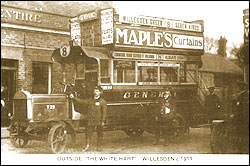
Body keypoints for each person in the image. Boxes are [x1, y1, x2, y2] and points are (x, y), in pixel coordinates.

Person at [70, 85, 107, 152]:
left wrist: (103, 121)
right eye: (95, 91)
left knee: (100, 134)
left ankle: (99, 147)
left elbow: (104, 112)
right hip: (91, 120)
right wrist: (74, 98)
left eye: (97, 91)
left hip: (99, 120)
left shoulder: (102, 101)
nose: (95, 92)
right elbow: (82, 101)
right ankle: (87, 146)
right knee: (88, 133)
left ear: (100, 92)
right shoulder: (90, 100)